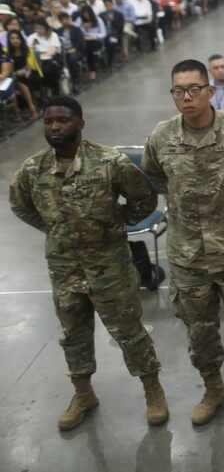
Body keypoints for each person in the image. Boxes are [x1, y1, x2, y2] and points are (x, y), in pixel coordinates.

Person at [9, 96, 168, 431]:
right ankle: (83, 394)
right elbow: (20, 205)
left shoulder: (110, 162)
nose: (54, 126)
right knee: (73, 334)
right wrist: (54, 228)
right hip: (64, 268)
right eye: (49, 121)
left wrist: (116, 222)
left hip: (108, 266)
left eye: (62, 120)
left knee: (129, 332)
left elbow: (145, 197)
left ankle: (152, 390)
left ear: (80, 122)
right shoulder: (33, 169)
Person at [142, 59, 224, 426]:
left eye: (193, 89)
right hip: (187, 259)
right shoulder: (162, 137)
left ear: (209, 91)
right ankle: (213, 388)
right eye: (178, 91)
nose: (186, 97)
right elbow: (154, 176)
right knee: (200, 334)